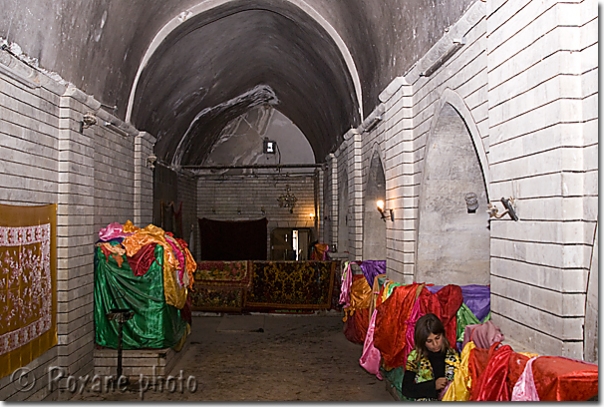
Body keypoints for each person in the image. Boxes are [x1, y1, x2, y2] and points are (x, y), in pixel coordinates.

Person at [401, 313, 460, 401]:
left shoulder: (453, 355)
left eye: (437, 338)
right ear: (422, 341)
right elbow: (406, 389)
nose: (435, 344)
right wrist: (433, 386)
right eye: (429, 341)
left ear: (442, 335)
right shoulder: (415, 358)